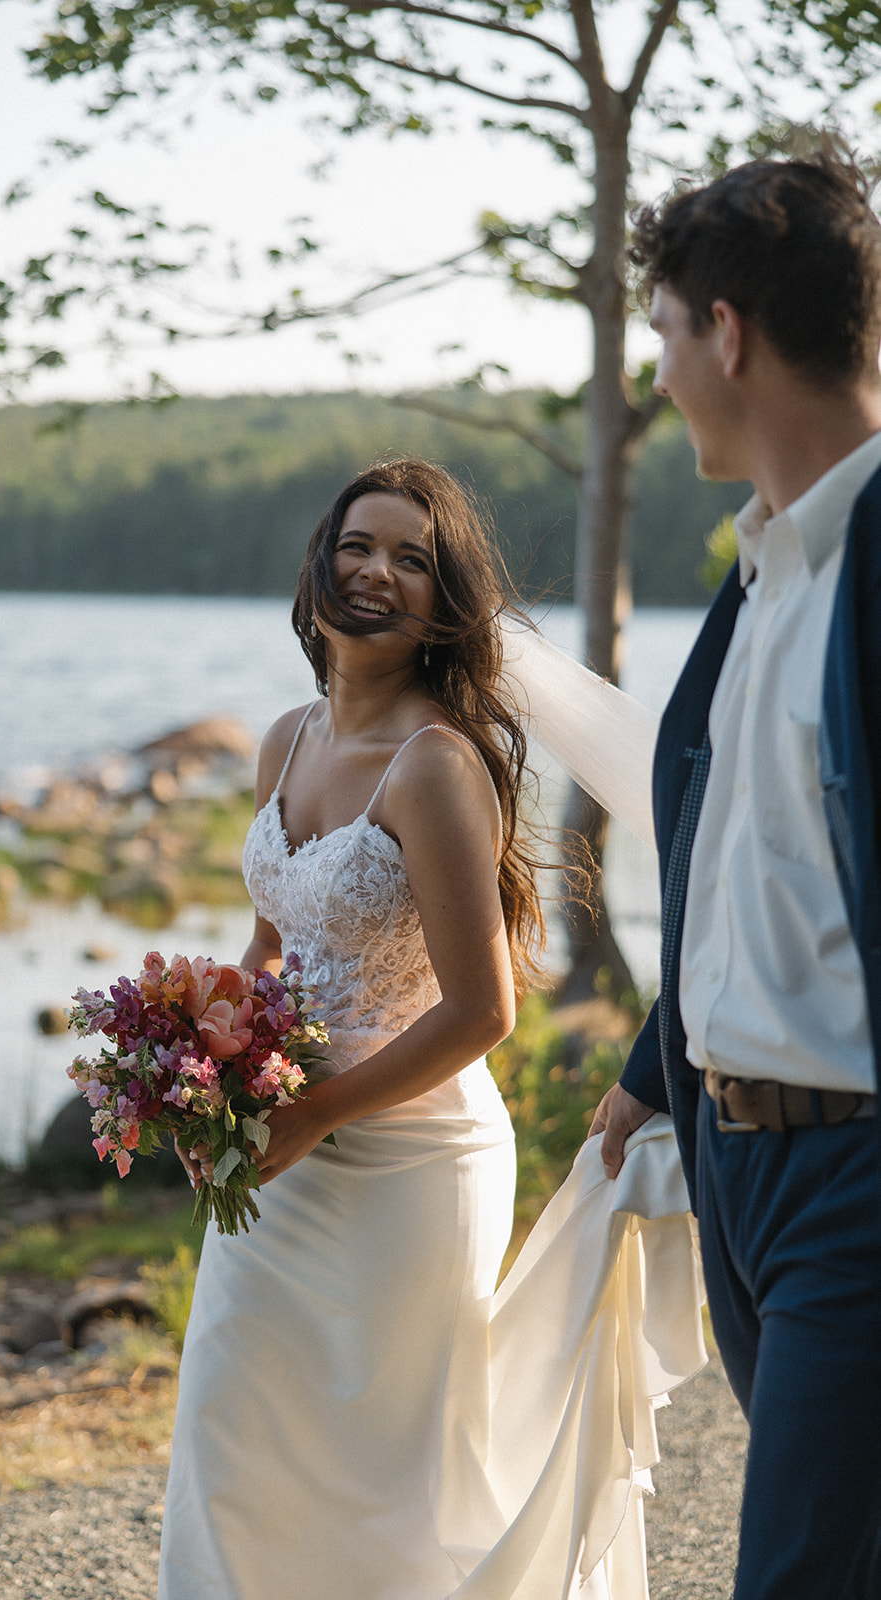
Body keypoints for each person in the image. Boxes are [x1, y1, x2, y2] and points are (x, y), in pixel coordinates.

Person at [156, 459, 703, 1600]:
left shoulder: (436, 767)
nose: (377, 572)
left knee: (387, 1475)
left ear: (440, 604)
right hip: (280, 1149)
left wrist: (309, 1110)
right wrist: (190, 1066)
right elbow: (271, 951)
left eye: (412, 559)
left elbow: (482, 1008)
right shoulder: (283, 743)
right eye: (359, 545)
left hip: (409, 1161)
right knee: (226, 1420)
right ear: (319, 562)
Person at [580, 150, 881, 1600]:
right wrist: (649, 1075)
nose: (656, 369)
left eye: (657, 332)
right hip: (733, 1169)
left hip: (857, 1180)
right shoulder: (758, 573)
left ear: (725, 333)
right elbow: (741, 872)